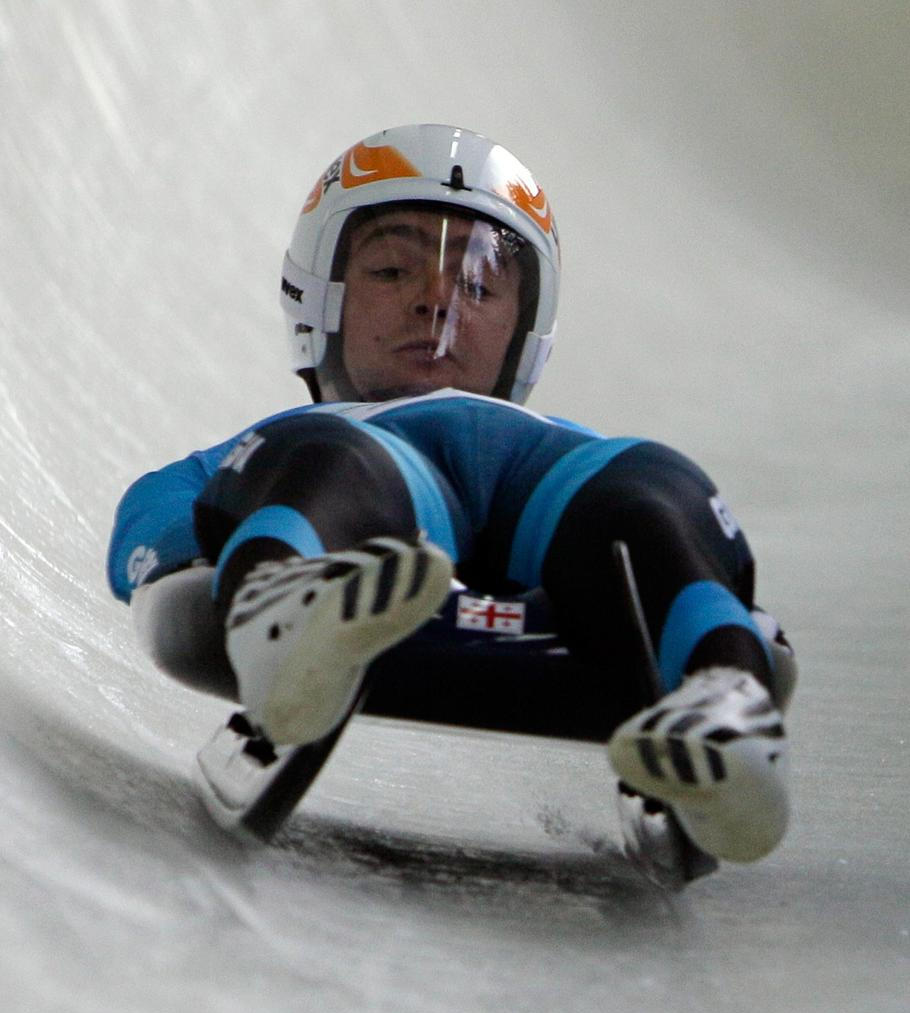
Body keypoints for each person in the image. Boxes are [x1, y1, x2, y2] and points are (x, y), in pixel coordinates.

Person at [107, 124, 796, 873]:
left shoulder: (575, 450)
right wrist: (199, 555)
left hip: (546, 483)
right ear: (321, 300)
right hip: (378, 473)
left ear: (521, 328)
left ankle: (725, 700)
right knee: (333, 461)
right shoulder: (297, 441)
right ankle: (285, 609)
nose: (438, 302)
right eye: (393, 270)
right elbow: (152, 511)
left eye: (478, 285)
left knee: (649, 486)